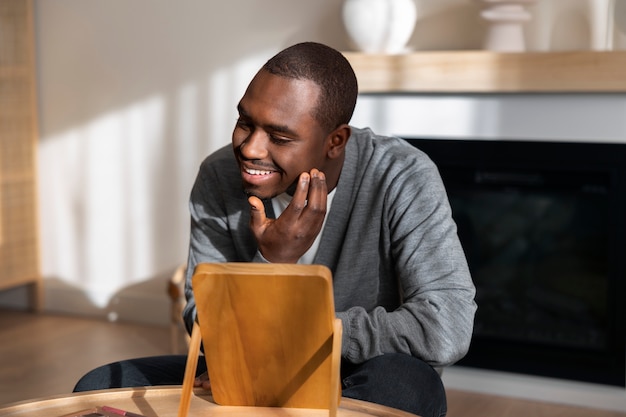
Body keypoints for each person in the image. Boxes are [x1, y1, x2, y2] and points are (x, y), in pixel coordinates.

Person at [74, 42, 477, 417]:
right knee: (98, 386)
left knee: (410, 386)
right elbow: (203, 320)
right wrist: (272, 258)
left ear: (334, 141)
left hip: (356, 371)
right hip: (242, 366)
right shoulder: (218, 177)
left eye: (280, 137)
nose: (250, 149)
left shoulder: (401, 175)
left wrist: (301, 338)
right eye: (244, 123)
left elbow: (447, 328)